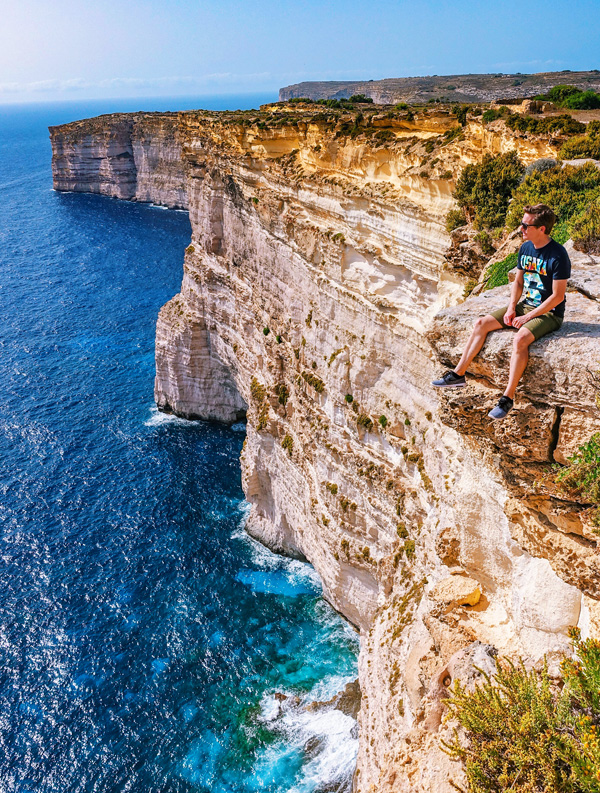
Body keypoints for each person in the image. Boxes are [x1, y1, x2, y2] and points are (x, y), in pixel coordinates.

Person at [432, 204, 571, 419]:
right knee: (481, 324)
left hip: (549, 313)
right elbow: (518, 282)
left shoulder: (558, 255)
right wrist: (512, 307)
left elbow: (557, 296)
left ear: (541, 229)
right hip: (526, 304)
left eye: (525, 225)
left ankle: (508, 398)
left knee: (520, 339)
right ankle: (457, 374)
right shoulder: (526, 248)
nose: (520, 229)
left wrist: (527, 317)